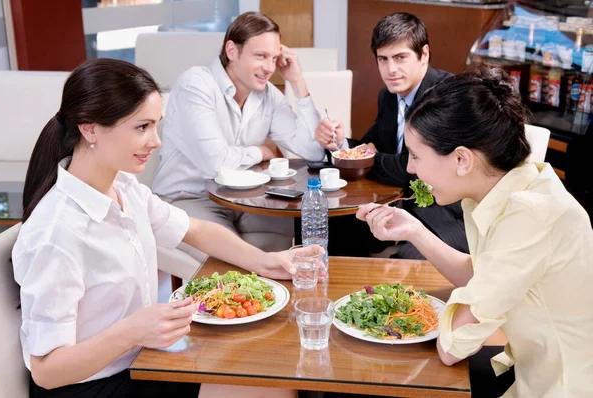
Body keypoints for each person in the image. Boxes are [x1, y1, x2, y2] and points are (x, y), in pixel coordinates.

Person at [12, 58, 304, 398]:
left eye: (156, 125)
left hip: (142, 360)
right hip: (92, 386)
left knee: (272, 371)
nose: (156, 141)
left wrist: (267, 262)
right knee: (268, 386)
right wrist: (133, 331)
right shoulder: (56, 233)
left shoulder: (122, 187)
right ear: (89, 129)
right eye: (141, 127)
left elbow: (195, 229)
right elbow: (48, 371)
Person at [358, 66, 593, 397]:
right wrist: (414, 230)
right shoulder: (512, 187)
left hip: (557, 387)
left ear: (461, 160)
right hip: (528, 368)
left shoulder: (529, 214)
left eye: (415, 156)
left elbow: (452, 348)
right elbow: (484, 275)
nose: (410, 168)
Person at [152, 11, 326, 259]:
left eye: (274, 58)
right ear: (232, 51)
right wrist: (261, 152)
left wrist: (297, 83)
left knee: (283, 249)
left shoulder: (268, 95)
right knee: (239, 265)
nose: (269, 68)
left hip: (246, 200)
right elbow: (216, 165)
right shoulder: (196, 85)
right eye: (260, 56)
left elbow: (313, 151)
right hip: (188, 200)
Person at [315, 13, 467, 259]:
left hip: (444, 214)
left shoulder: (445, 95)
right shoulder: (388, 96)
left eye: (400, 57)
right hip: (398, 205)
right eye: (382, 59)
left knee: (406, 263)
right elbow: (369, 146)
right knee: (329, 228)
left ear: (424, 54)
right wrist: (340, 142)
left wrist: (368, 156)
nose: (391, 69)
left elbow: (409, 168)